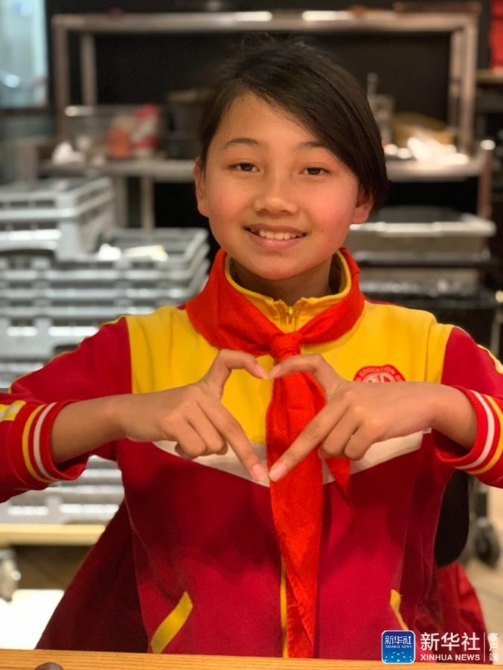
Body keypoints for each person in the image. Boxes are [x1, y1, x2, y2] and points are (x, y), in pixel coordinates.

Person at [0, 35, 501, 661]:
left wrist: (444, 406)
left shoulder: (429, 348)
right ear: (201, 184)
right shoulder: (139, 350)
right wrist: (118, 414)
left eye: (314, 169)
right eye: (244, 166)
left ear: (363, 197)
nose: (275, 198)